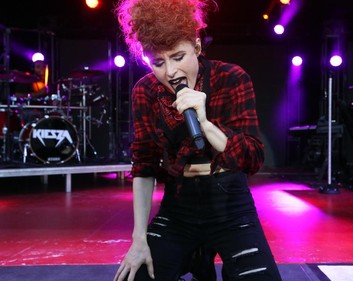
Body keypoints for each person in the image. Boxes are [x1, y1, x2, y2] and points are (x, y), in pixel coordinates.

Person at [113, 0, 283, 281]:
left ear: (197, 47)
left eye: (178, 57)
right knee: (136, 276)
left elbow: (252, 157)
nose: (170, 72)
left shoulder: (231, 78)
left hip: (230, 205)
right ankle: (195, 260)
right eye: (158, 62)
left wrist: (205, 124)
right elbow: (143, 166)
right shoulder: (145, 92)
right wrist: (138, 239)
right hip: (179, 206)